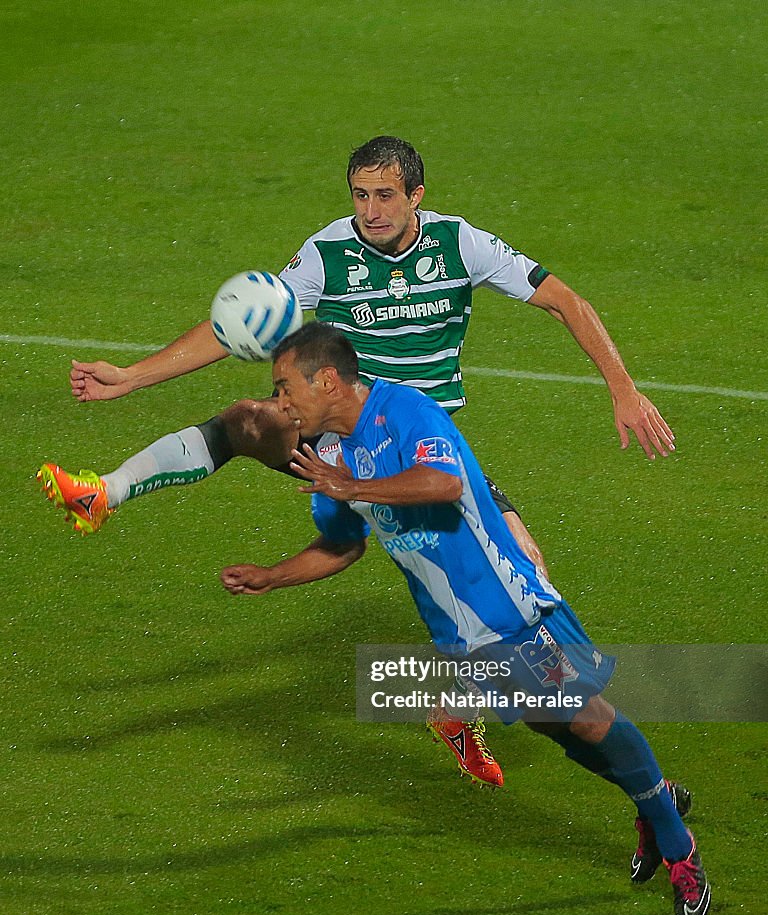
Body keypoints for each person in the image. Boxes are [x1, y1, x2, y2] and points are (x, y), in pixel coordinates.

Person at [38, 135, 675, 787]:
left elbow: (565, 299)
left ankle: (458, 711)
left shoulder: (462, 246)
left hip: (419, 453)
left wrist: (623, 390)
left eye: (385, 196)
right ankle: (104, 493)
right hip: (334, 432)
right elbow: (239, 326)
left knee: (526, 566)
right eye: (360, 196)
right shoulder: (327, 252)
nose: (370, 211)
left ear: (416, 196)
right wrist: (132, 375)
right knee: (248, 420)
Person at [218, 322, 710, 915]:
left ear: (327, 380)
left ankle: (679, 848)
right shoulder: (330, 458)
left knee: (586, 717)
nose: (281, 402)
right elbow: (344, 545)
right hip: (458, 636)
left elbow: (444, 482)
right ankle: (654, 803)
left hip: (507, 606)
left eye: (284, 387)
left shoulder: (403, 408)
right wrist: (272, 576)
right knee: (555, 727)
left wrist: (355, 485)